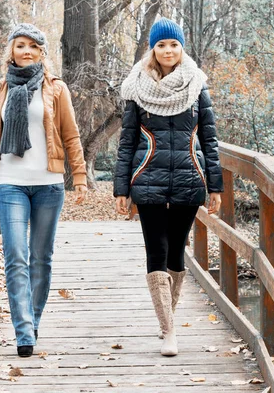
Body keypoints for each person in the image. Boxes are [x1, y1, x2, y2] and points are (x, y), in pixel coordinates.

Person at [0, 23, 88, 358]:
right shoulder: (0, 91)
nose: (26, 51)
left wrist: (78, 174)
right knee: (16, 257)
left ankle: (32, 320)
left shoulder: (56, 90)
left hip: (49, 185)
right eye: (20, 45)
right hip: (10, 182)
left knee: (41, 259)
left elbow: (71, 135)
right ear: (11, 50)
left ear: (41, 52)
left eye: (33, 46)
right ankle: (23, 332)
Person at [113, 18, 223, 356]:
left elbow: (210, 138)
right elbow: (127, 139)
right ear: (153, 48)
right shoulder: (137, 87)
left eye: (173, 44)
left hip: (190, 179)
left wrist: (215, 185)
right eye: (161, 45)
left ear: (181, 47)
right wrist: (121, 188)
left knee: (177, 251)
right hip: (147, 180)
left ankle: (169, 320)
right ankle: (169, 331)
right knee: (156, 250)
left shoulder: (197, 86)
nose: (168, 50)